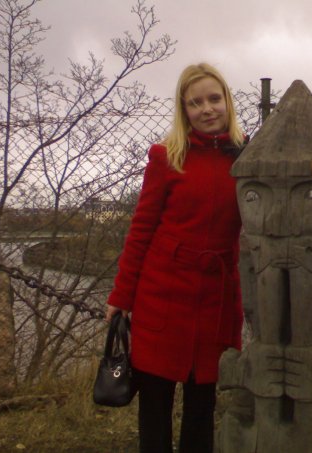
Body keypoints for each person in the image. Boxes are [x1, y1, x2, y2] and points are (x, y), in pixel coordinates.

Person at [105, 62, 246, 453]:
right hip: (163, 294)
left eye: (214, 99)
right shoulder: (167, 157)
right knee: (155, 404)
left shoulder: (247, 160)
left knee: (202, 405)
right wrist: (121, 297)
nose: (207, 109)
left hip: (217, 297)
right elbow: (141, 231)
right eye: (195, 103)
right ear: (184, 110)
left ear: (227, 101)